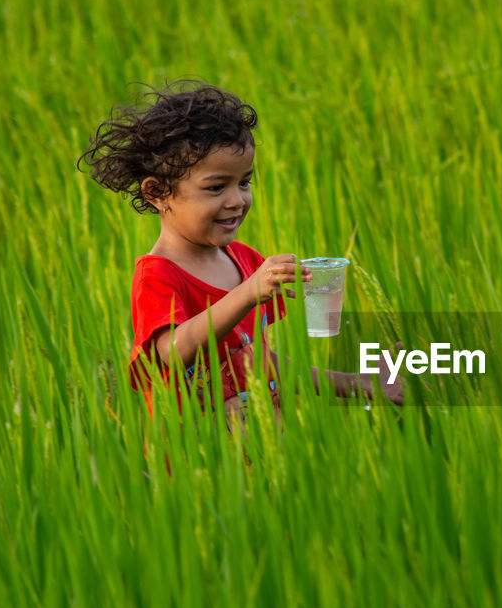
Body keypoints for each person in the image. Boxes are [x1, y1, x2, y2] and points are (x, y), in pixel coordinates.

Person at [78, 81, 403, 421]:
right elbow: (171, 353)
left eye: (244, 182)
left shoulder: (245, 259)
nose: (237, 201)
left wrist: (357, 383)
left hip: (264, 452)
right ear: (157, 192)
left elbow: (257, 359)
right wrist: (247, 293)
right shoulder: (158, 275)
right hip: (201, 464)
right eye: (217, 187)